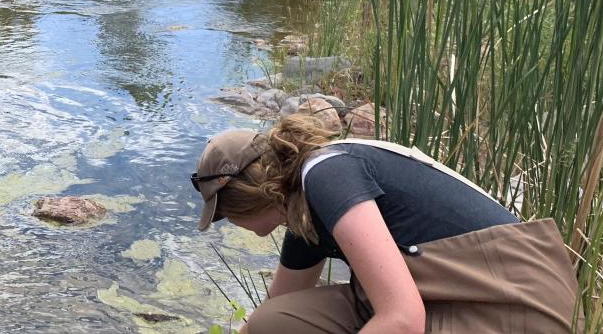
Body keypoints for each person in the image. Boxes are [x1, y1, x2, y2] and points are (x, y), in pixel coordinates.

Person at [190, 114, 578, 333]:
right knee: (270, 325)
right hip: (450, 294)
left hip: (513, 301)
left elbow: (403, 318)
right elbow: (277, 307)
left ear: (241, 202)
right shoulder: (301, 207)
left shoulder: (326, 174)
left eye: (223, 216)